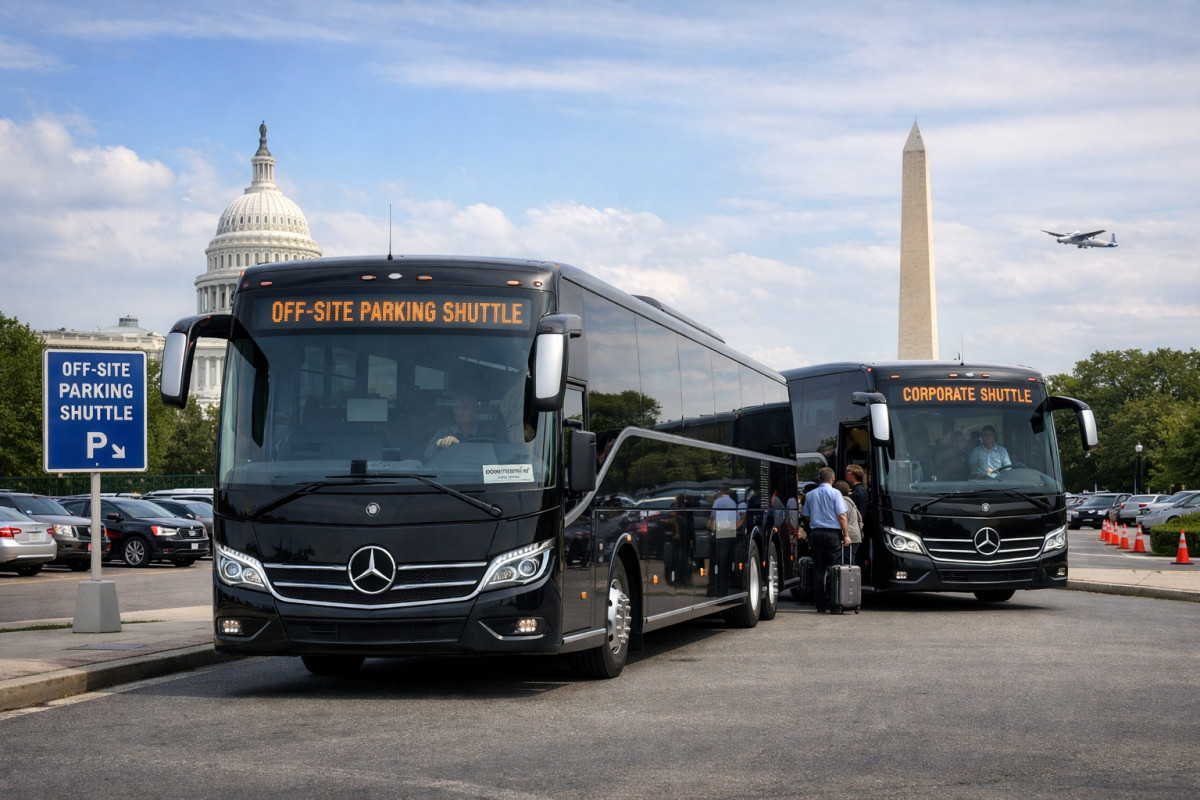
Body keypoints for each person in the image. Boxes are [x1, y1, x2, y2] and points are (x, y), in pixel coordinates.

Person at [801, 467, 850, 613]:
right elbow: (842, 516)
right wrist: (846, 535)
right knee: (834, 569)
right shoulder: (836, 493)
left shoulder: (810, 495)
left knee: (819, 570)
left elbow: (807, 517)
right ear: (833, 479)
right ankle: (834, 603)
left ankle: (820, 605)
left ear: (819, 478)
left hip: (816, 533)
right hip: (833, 534)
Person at [424, 392, 494, 459]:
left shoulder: (487, 434)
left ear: (476, 410)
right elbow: (427, 456)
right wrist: (440, 444)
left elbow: (492, 457)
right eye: (457, 407)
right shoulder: (443, 433)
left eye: (465, 407)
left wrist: (458, 445)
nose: (460, 411)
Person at [834, 480, 863, 564]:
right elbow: (859, 519)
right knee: (849, 560)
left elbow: (842, 518)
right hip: (855, 535)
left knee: (846, 561)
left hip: (849, 536)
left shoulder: (842, 502)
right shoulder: (851, 502)